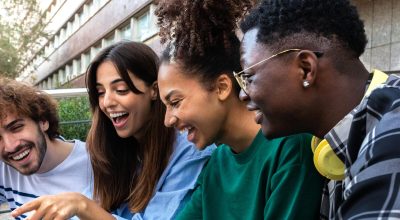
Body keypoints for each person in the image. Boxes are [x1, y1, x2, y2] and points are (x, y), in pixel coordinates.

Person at [155, 0, 324, 219]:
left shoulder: (291, 148)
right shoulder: (216, 164)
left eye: (175, 102)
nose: (168, 120)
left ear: (222, 87)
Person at [12, 41, 214, 220]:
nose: (107, 102)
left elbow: (85, 205)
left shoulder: (190, 150)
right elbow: (87, 203)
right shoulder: (114, 149)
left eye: (121, 90)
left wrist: (82, 206)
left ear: (154, 90)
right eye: (101, 93)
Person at [239, 0, 400, 219]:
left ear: (305, 70)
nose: (243, 94)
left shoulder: (394, 134)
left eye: (248, 77)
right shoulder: (337, 150)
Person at [0, 77, 92, 219]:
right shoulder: (4, 170)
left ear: (43, 121)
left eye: (17, 127)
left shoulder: (97, 165)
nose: (10, 146)